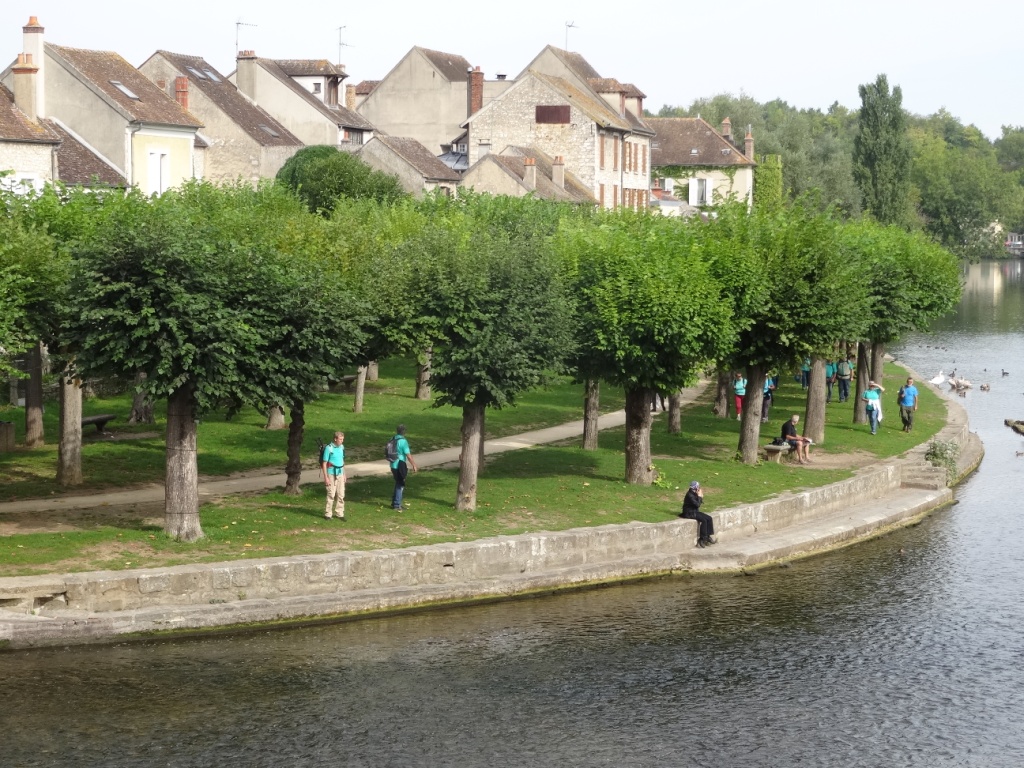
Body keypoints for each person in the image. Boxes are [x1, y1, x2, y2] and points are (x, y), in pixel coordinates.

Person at [389, 424, 418, 510]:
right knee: (400, 484)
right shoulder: (403, 441)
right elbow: (408, 455)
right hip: (400, 464)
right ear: (404, 432)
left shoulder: (392, 439)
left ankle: (394, 502)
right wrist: (414, 465)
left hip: (392, 464)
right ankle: (397, 505)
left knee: (398, 482)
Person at [680, 481, 716, 547]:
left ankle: (708, 536)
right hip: (689, 513)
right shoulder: (690, 495)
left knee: (709, 518)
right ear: (695, 487)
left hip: (695, 511)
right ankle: (702, 539)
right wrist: (700, 496)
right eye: (698, 486)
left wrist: (699, 496)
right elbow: (697, 505)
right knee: (704, 520)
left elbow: (697, 504)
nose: (699, 488)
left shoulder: (694, 493)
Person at [321, 431, 346, 520]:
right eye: (340, 439)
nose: (342, 441)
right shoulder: (329, 448)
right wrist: (326, 477)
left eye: (342, 439)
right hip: (331, 474)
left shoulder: (342, 447)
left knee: (341, 494)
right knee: (331, 494)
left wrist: (344, 474)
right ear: (335, 439)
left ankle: (340, 513)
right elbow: (324, 464)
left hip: (340, 473)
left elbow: (342, 461)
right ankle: (328, 514)